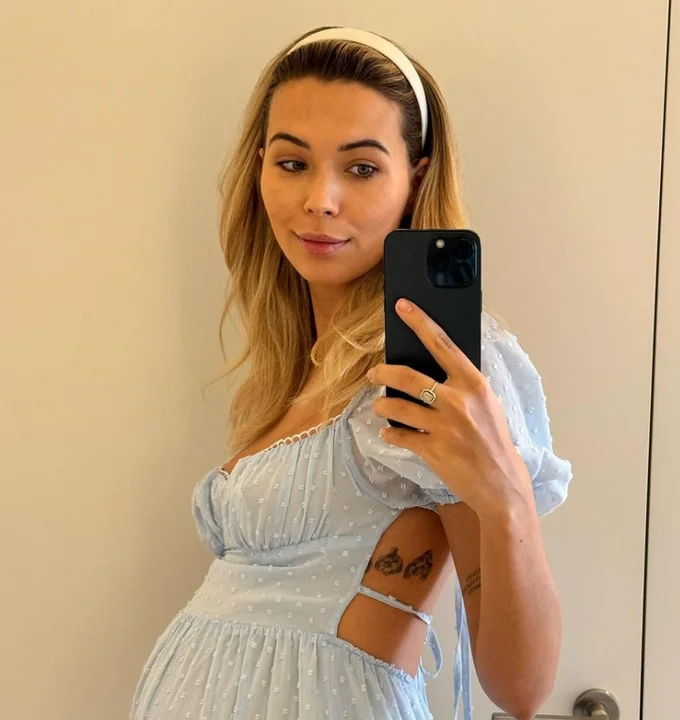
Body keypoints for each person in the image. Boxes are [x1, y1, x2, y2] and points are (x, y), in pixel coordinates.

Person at [130, 26, 572, 720]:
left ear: (415, 180)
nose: (321, 200)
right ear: (260, 170)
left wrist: (508, 494)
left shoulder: (435, 362)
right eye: (292, 163)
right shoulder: (291, 369)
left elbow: (522, 688)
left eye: (361, 168)